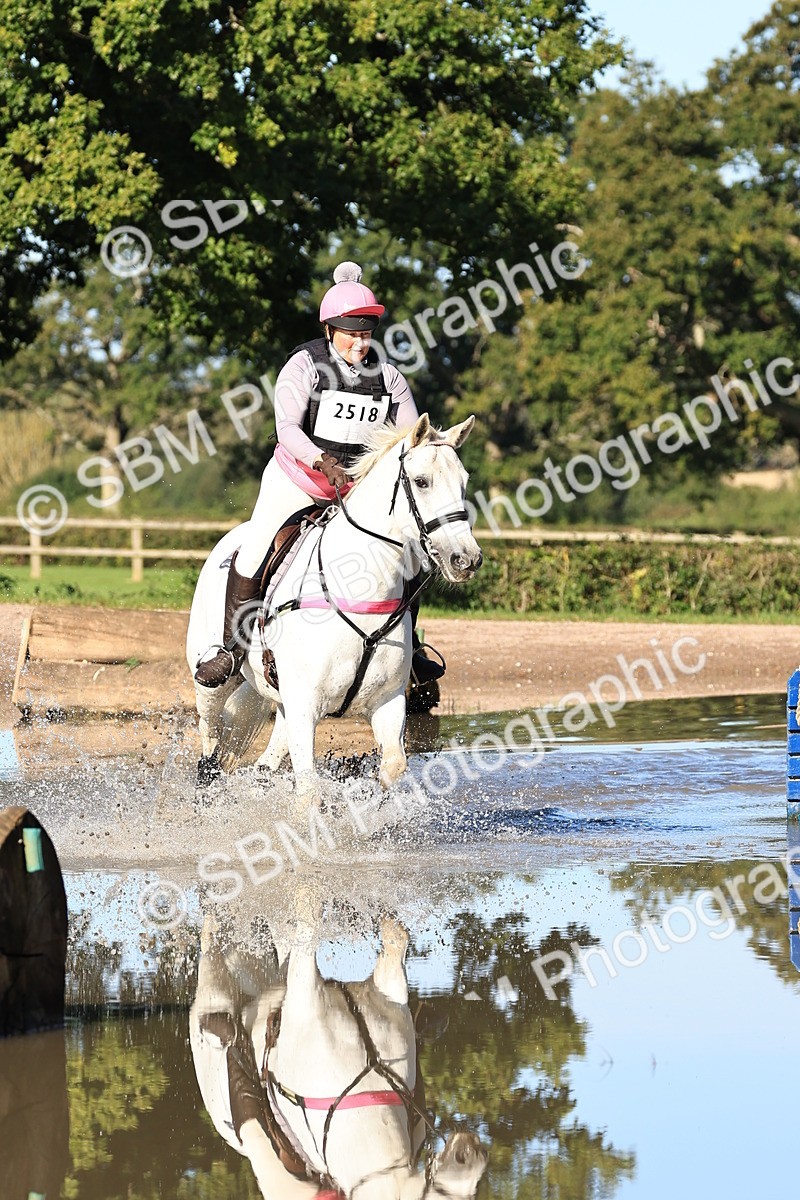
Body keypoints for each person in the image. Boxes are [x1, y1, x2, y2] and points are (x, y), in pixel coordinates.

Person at [195, 261, 446, 691]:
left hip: (354, 494)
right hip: (298, 481)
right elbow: (288, 428)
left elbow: (411, 438)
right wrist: (320, 461)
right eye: (352, 332)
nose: (360, 341)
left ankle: (412, 646)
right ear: (330, 330)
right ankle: (229, 649)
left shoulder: (389, 379)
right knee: (257, 546)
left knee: (406, 552)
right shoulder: (303, 366)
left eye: (366, 332)